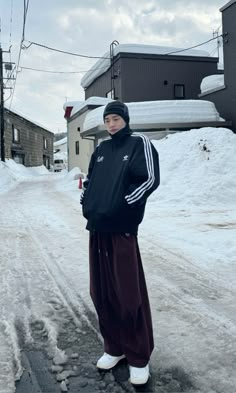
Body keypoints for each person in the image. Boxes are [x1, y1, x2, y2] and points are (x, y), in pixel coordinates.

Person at [80, 100, 160, 385]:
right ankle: (114, 347)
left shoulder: (139, 144)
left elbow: (149, 179)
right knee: (101, 291)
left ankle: (139, 355)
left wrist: (122, 206)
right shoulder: (101, 149)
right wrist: (88, 201)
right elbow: (91, 181)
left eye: (116, 118)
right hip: (97, 229)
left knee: (128, 293)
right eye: (108, 119)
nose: (111, 124)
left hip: (122, 230)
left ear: (125, 119)